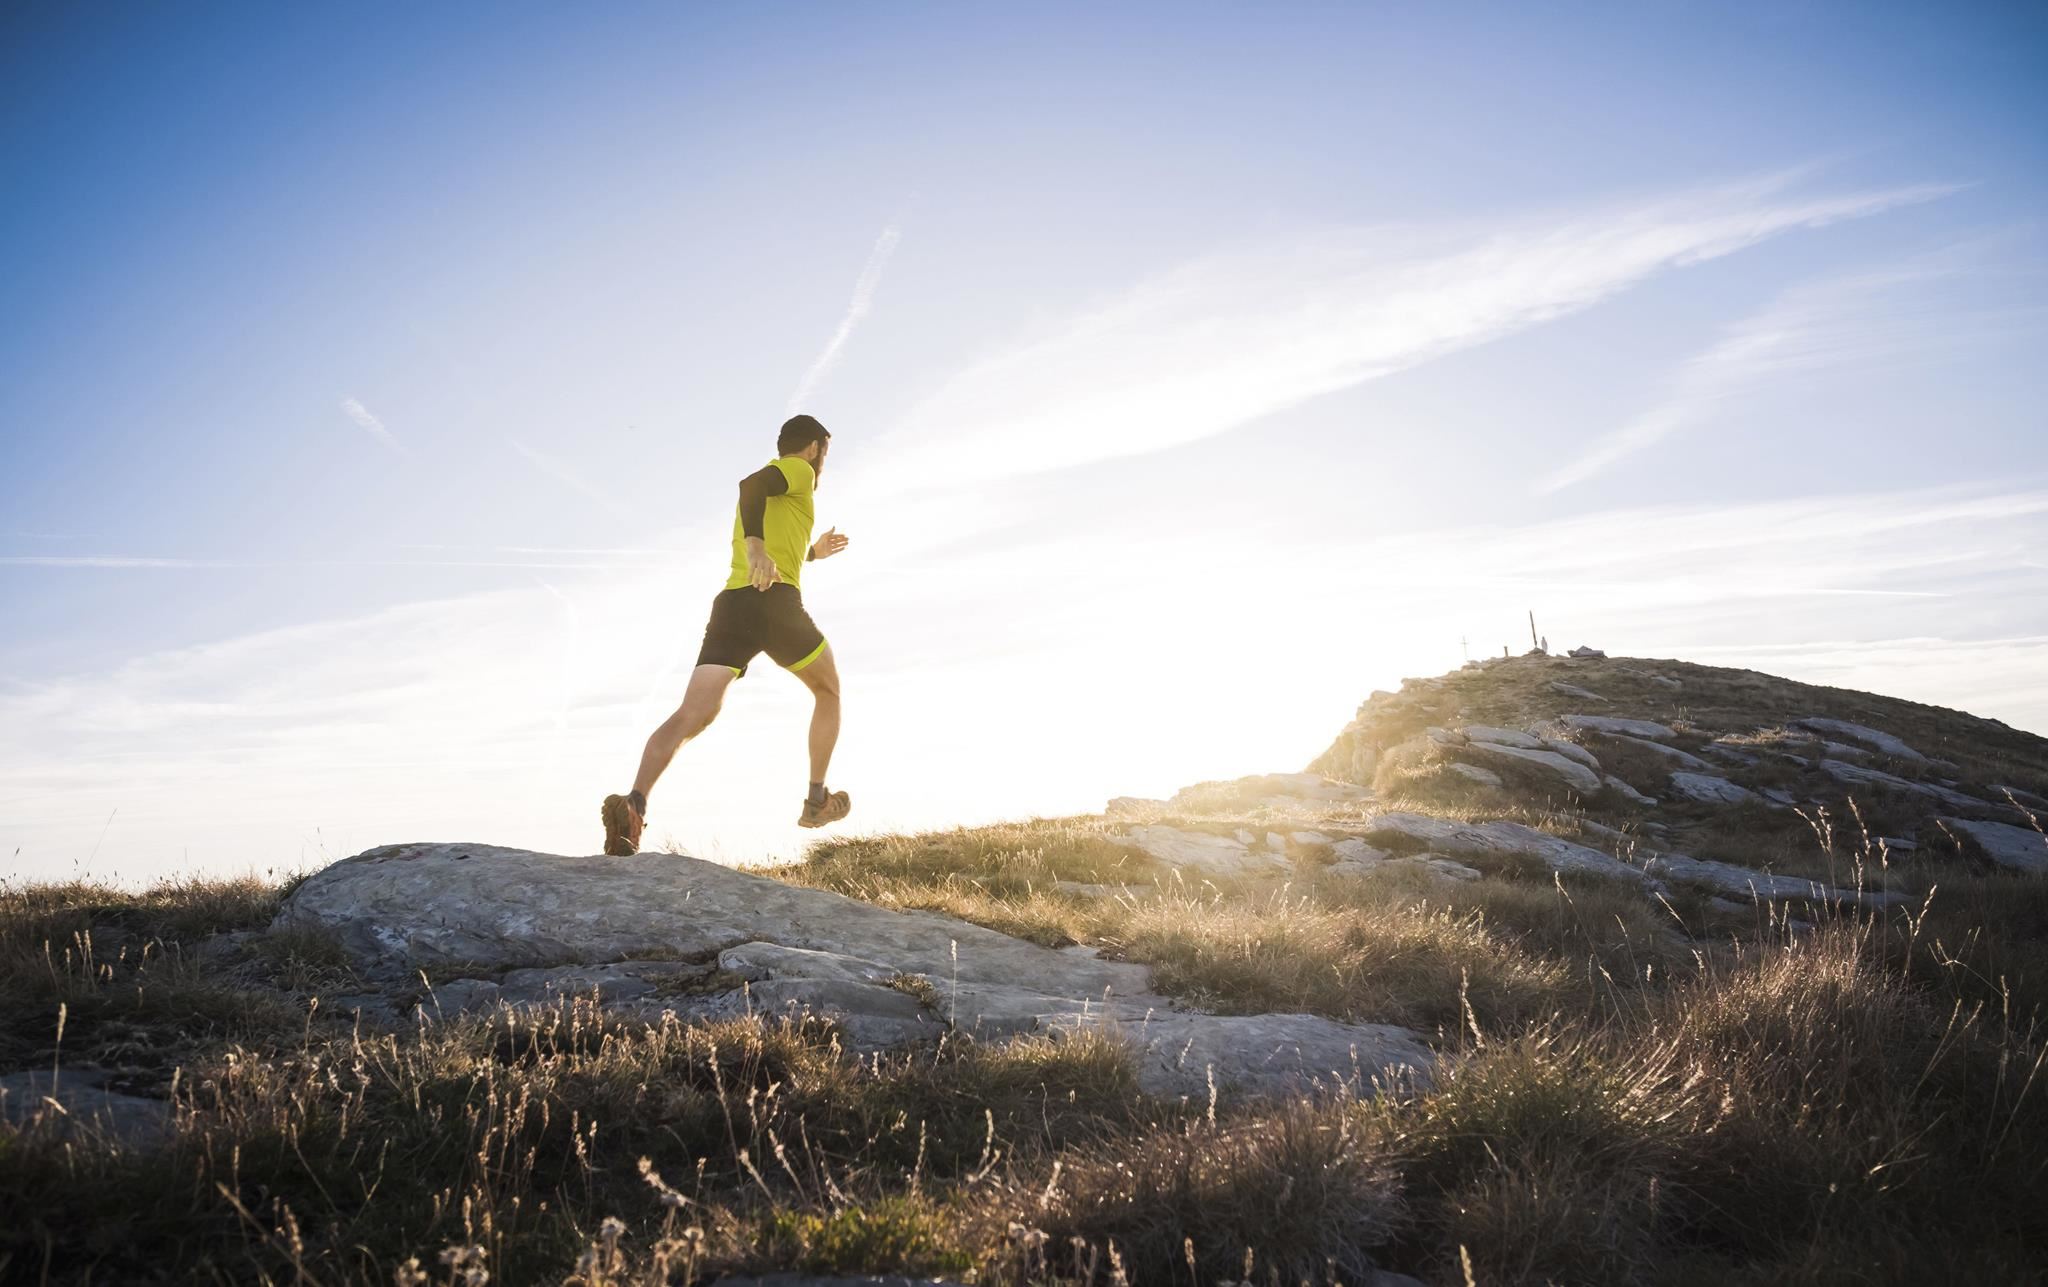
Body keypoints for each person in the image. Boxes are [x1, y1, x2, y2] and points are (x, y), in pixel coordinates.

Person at [599, 414, 852, 856]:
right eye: (825, 453)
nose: (823, 463)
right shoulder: (798, 470)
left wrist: (812, 554)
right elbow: (750, 486)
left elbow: (779, 543)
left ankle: (634, 804)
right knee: (828, 690)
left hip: (734, 606)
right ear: (814, 448)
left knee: (693, 714)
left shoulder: (787, 496)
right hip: (775, 603)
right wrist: (757, 546)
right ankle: (817, 801)